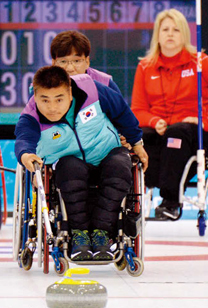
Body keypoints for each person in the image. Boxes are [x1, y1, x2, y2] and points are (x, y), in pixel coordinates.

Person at [15, 66, 148, 261]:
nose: (52, 107)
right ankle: (79, 235)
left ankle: (102, 234)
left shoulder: (92, 90)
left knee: (121, 166)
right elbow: (24, 140)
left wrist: (137, 144)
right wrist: (26, 156)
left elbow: (121, 111)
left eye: (59, 99)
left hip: (107, 152)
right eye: (44, 100)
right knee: (68, 168)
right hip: (70, 163)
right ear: (35, 96)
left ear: (70, 92)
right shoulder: (30, 116)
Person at [131, 9, 208, 220]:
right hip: (161, 130)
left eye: (176, 30)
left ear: (184, 34)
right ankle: (132, 199)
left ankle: (171, 202)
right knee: (140, 138)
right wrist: (154, 121)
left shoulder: (200, 62)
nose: (170, 34)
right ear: (157, 34)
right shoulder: (146, 67)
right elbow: (137, 110)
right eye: (165, 29)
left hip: (196, 133)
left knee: (177, 133)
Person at [50, 30, 122, 95]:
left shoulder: (105, 83)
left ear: (87, 62)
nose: (70, 68)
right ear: (54, 63)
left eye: (76, 61)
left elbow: (121, 109)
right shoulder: (42, 85)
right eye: (63, 61)